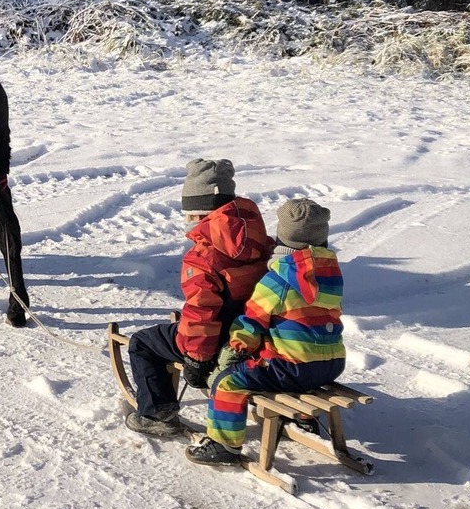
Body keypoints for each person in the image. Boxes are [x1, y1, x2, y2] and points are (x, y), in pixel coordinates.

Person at [186, 198, 346, 465]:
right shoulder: (332, 276)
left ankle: (224, 444)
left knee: (227, 382)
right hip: (332, 363)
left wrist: (236, 348)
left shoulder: (279, 278)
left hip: (293, 368)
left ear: (283, 240)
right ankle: (304, 422)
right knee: (298, 349)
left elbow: (252, 321)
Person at [124, 159, 272, 437]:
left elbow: (202, 311)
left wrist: (196, 359)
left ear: (197, 213)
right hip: (256, 336)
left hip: (220, 342)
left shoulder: (203, 256)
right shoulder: (263, 242)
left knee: (143, 343)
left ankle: (157, 413)